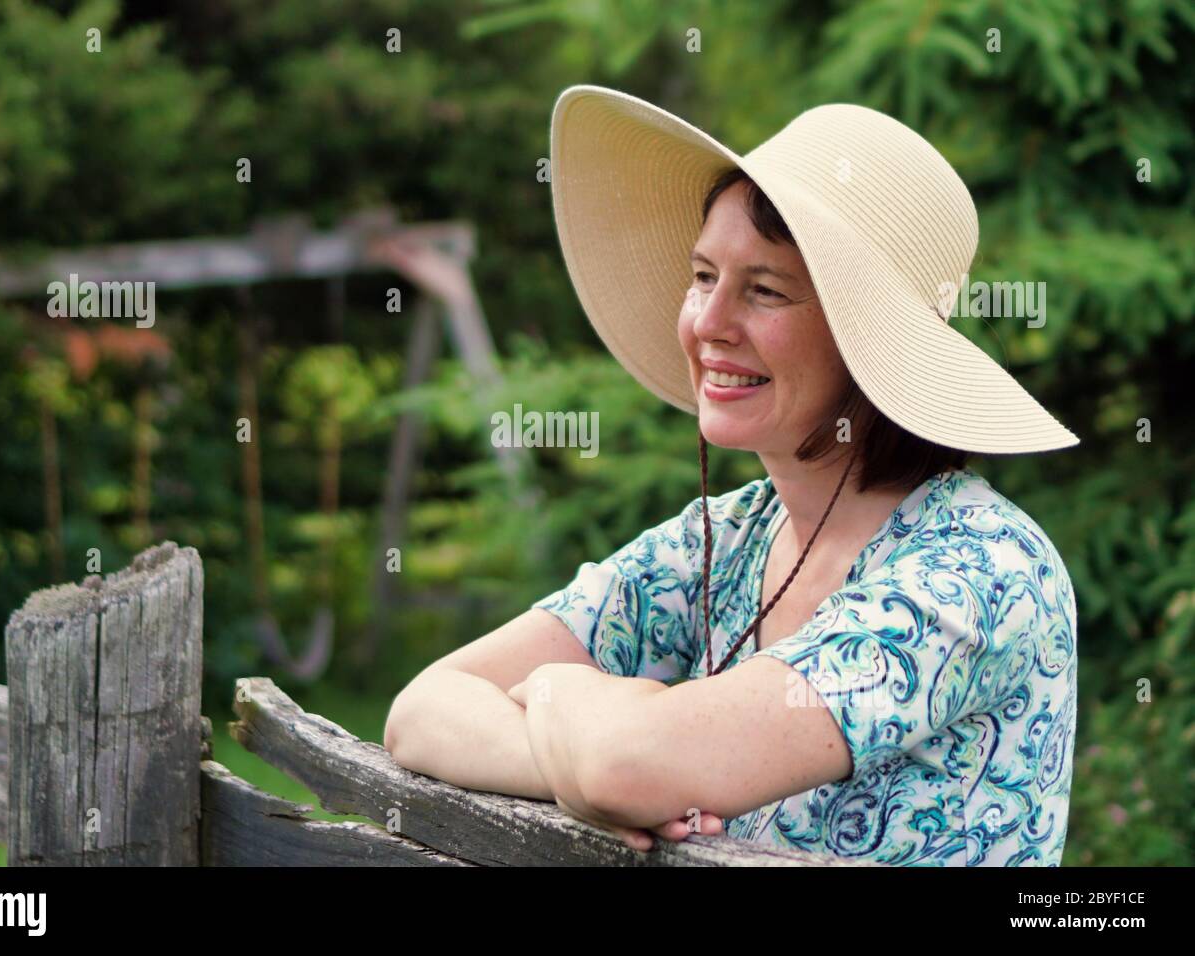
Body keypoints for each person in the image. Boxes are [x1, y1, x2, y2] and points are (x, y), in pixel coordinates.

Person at [384, 86, 1079, 866]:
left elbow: (628, 765)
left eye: (765, 290)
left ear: (869, 344)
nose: (709, 324)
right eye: (704, 276)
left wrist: (560, 695)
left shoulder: (977, 574)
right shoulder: (725, 538)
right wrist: (586, 762)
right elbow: (423, 709)